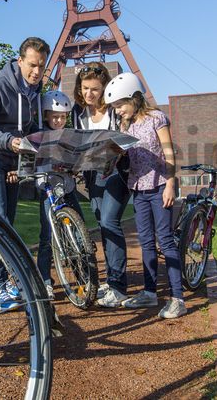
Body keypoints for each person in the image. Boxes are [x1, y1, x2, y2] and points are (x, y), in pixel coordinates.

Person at [0, 37, 49, 310]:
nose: (37, 71)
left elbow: (26, 128)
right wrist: (9, 141)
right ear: (19, 60)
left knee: (8, 222)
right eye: (32, 65)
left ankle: (4, 282)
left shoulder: (34, 92)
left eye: (41, 66)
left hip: (10, 159)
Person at [105, 72, 186, 319]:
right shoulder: (124, 126)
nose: (118, 111)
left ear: (134, 97)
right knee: (146, 242)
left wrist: (171, 184)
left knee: (165, 239)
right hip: (138, 189)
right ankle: (150, 293)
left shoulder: (156, 118)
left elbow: (169, 153)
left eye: (120, 105)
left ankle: (177, 299)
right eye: (115, 107)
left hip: (161, 186)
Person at [72, 62, 132, 308]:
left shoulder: (114, 110)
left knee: (109, 221)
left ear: (104, 88)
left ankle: (119, 286)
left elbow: (126, 140)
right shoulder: (78, 112)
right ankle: (112, 278)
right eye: (85, 88)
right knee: (102, 224)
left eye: (95, 89)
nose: (89, 94)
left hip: (116, 172)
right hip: (92, 174)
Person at [34, 90, 85, 300]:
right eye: (54, 116)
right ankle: (45, 280)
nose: (58, 120)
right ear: (46, 115)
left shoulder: (70, 136)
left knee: (80, 235)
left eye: (63, 117)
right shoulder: (38, 136)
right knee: (47, 237)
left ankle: (83, 276)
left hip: (68, 188)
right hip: (48, 189)